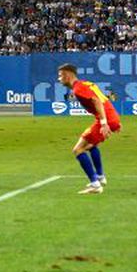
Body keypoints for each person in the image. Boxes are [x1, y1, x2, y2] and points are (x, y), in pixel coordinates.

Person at [57, 63, 120, 195]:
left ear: (68, 75)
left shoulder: (78, 88)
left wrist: (104, 123)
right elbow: (102, 99)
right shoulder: (86, 84)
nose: (59, 79)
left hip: (106, 119)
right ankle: (100, 177)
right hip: (110, 117)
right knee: (90, 145)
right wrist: (114, 121)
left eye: (60, 75)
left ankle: (95, 184)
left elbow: (97, 101)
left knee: (78, 149)